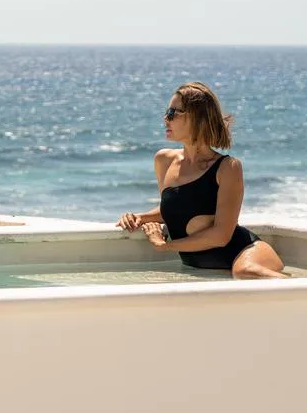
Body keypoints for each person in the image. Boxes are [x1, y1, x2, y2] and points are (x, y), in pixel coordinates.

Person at [116, 81, 287, 279]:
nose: (165, 119)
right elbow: (176, 208)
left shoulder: (228, 168)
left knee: (244, 272)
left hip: (246, 253)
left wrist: (165, 246)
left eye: (172, 113)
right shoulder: (164, 160)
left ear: (197, 117)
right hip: (205, 267)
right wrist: (139, 217)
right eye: (166, 112)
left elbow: (221, 236)